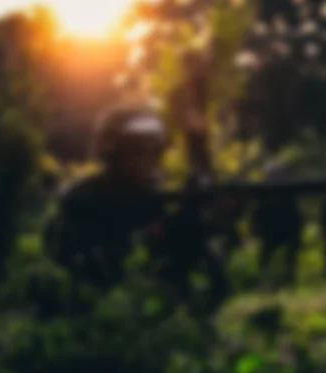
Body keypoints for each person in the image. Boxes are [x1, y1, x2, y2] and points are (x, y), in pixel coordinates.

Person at [44, 103, 168, 298]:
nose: (149, 158)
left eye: (155, 148)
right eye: (139, 148)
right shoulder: (82, 197)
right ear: (115, 150)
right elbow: (63, 258)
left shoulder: (157, 198)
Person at [160, 172, 229, 313]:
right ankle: (186, 307)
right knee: (176, 276)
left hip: (197, 246)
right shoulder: (182, 209)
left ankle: (205, 308)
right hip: (182, 248)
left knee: (218, 278)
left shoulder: (201, 206)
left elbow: (212, 228)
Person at [252, 193, 303, 285]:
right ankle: (262, 278)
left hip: (285, 232)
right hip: (271, 233)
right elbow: (257, 220)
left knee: (289, 256)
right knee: (266, 256)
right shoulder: (265, 204)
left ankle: (288, 276)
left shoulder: (288, 204)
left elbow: (297, 221)